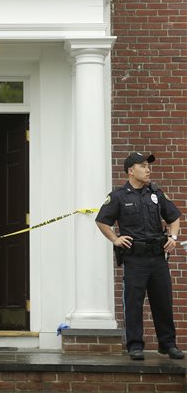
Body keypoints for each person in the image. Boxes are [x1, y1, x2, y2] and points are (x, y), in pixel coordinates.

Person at [96, 152, 184, 361]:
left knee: (163, 301)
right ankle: (135, 346)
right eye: (143, 166)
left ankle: (168, 344)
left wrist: (172, 236)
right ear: (130, 170)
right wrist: (115, 239)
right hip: (135, 259)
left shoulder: (156, 193)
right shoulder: (118, 196)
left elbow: (175, 217)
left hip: (158, 257)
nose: (148, 169)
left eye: (148, 165)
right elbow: (102, 220)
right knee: (134, 302)